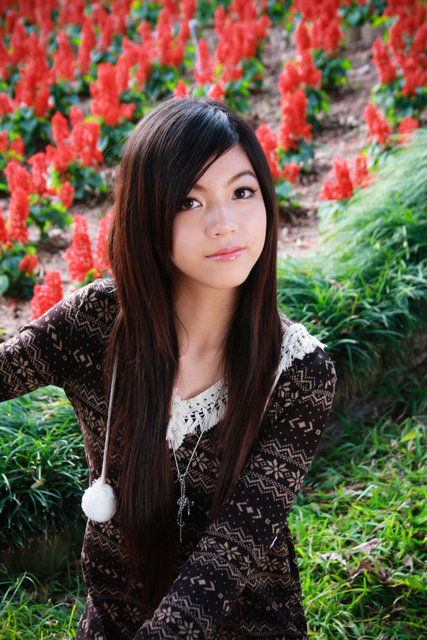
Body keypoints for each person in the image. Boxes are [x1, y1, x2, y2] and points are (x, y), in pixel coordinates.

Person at [0, 97, 336, 639]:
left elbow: (230, 553)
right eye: (189, 201)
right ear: (147, 215)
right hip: (113, 621)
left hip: (243, 627)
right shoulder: (98, 321)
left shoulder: (299, 372)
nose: (224, 224)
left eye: (242, 192)